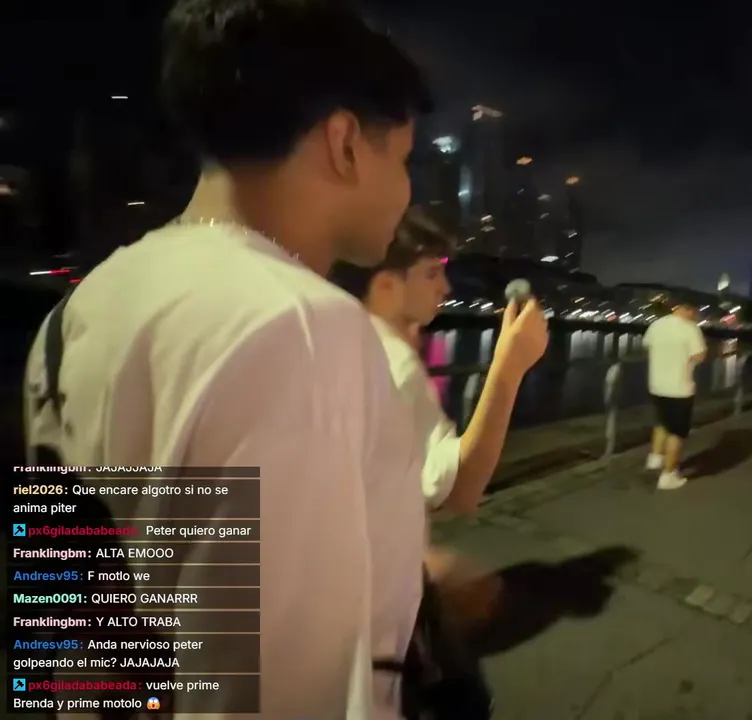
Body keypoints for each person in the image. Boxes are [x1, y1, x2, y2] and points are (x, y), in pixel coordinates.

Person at [24, 0, 435, 716]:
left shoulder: (76, 314)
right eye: (401, 159)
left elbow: (64, 615)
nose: (407, 189)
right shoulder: (302, 326)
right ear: (344, 143)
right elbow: (280, 693)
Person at [329, 206, 548, 628]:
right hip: (375, 607)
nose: (445, 287)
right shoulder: (391, 362)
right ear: (387, 286)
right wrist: (510, 366)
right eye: (431, 273)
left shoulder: (338, 342)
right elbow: (461, 488)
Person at [641, 301, 707, 489]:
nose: (696, 315)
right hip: (679, 389)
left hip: (656, 385)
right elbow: (700, 356)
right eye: (695, 311)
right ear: (689, 310)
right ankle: (668, 475)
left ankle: (655, 457)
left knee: (662, 421)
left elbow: (647, 345)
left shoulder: (657, 324)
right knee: (676, 433)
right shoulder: (690, 329)